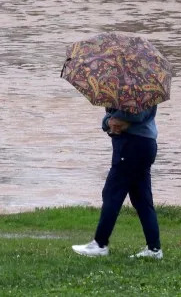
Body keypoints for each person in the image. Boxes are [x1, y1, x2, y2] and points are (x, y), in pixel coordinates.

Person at [71, 105, 162, 259]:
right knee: (141, 198)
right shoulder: (122, 91)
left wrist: (120, 119)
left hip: (133, 146)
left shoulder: (142, 93)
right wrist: (110, 121)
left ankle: (100, 244)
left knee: (112, 193)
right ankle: (154, 248)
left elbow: (138, 115)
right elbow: (109, 119)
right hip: (138, 144)